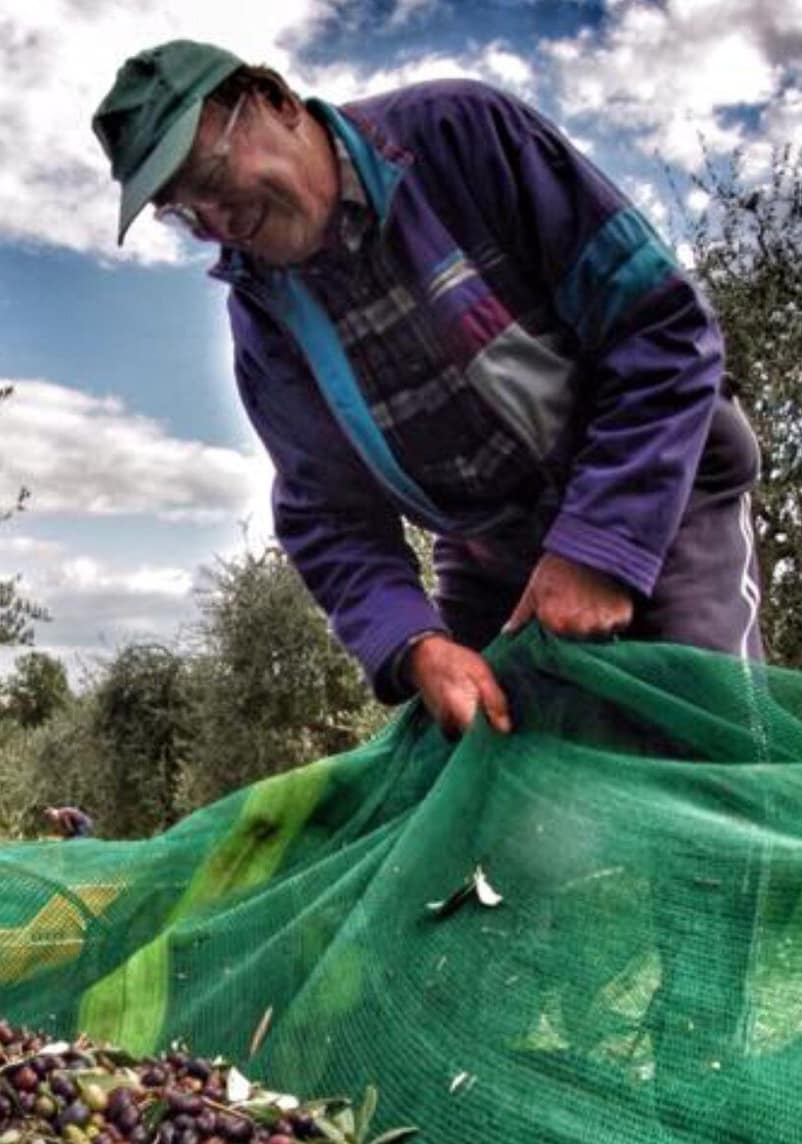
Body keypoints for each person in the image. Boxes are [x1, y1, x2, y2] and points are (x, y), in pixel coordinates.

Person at [92, 42, 765, 735]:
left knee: (711, 744)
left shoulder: (461, 135)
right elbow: (329, 515)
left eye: (210, 172)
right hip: (491, 552)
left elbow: (661, 331)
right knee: (476, 770)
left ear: (276, 102)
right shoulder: (265, 319)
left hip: (659, 489)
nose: (216, 220)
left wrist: (599, 543)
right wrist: (417, 646)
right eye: (182, 209)